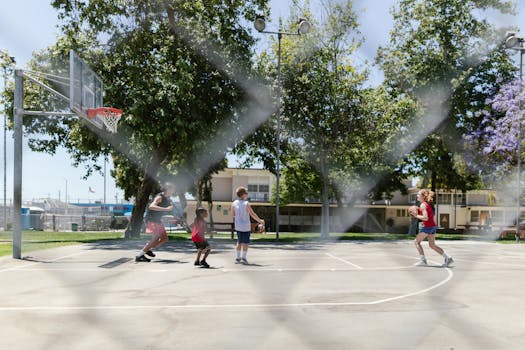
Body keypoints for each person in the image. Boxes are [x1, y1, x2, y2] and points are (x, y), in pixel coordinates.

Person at [410, 189, 454, 267]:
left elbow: (425, 218)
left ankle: (423, 261)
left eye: (418, 194)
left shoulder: (423, 205)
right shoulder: (426, 204)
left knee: (416, 242)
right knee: (432, 245)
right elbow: (428, 216)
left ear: (423, 196)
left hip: (427, 227)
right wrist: (417, 211)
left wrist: (416, 215)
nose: (417, 195)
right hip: (432, 226)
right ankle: (448, 258)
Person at [135, 182, 175, 262]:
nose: (174, 190)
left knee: (164, 238)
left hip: (157, 220)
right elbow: (151, 206)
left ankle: (148, 248)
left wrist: (170, 209)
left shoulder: (167, 198)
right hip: (151, 219)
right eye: (172, 189)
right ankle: (139, 256)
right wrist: (166, 209)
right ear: (167, 189)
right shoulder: (159, 197)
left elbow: (168, 207)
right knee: (155, 238)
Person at [231, 186, 264, 265]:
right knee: (245, 242)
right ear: (243, 194)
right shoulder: (246, 203)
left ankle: (238, 258)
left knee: (239, 241)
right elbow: (252, 214)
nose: (247, 194)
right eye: (246, 193)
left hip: (238, 226)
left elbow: (232, 214)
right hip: (245, 226)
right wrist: (260, 221)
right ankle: (244, 258)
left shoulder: (234, 203)